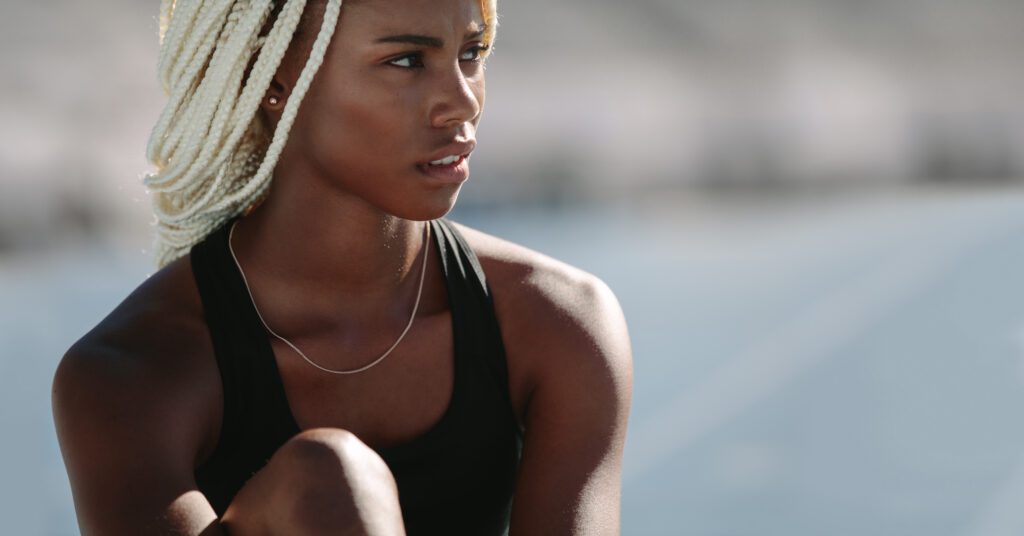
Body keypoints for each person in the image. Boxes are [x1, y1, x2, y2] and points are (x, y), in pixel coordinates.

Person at [51, 0, 633, 534]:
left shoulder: (558, 323)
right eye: (407, 60)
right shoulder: (134, 375)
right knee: (328, 482)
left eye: (471, 54)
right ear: (276, 77)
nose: (463, 101)